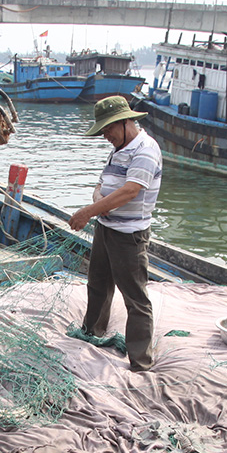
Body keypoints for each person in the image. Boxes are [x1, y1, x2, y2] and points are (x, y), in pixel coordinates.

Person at [68, 95, 162, 372]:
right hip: (106, 229)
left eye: (108, 129)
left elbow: (131, 190)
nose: (105, 135)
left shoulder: (145, 149)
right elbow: (102, 183)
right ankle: (91, 331)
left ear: (124, 123)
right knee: (98, 284)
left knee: (136, 297)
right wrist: (99, 203)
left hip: (128, 235)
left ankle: (140, 362)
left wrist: (88, 211)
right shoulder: (120, 148)